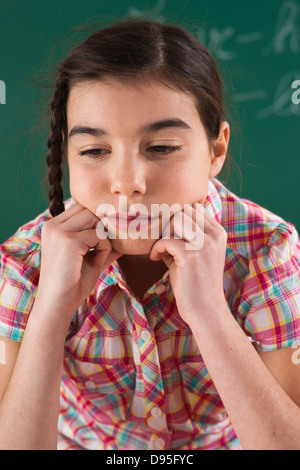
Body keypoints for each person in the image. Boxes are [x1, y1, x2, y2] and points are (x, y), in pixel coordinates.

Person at [0, 18, 300, 451]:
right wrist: (51, 306)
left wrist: (210, 312)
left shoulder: (267, 250)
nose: (126, 182)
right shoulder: (23, 263)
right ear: (66, 154)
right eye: (94, 151)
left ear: (216, 150)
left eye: (160, 147)